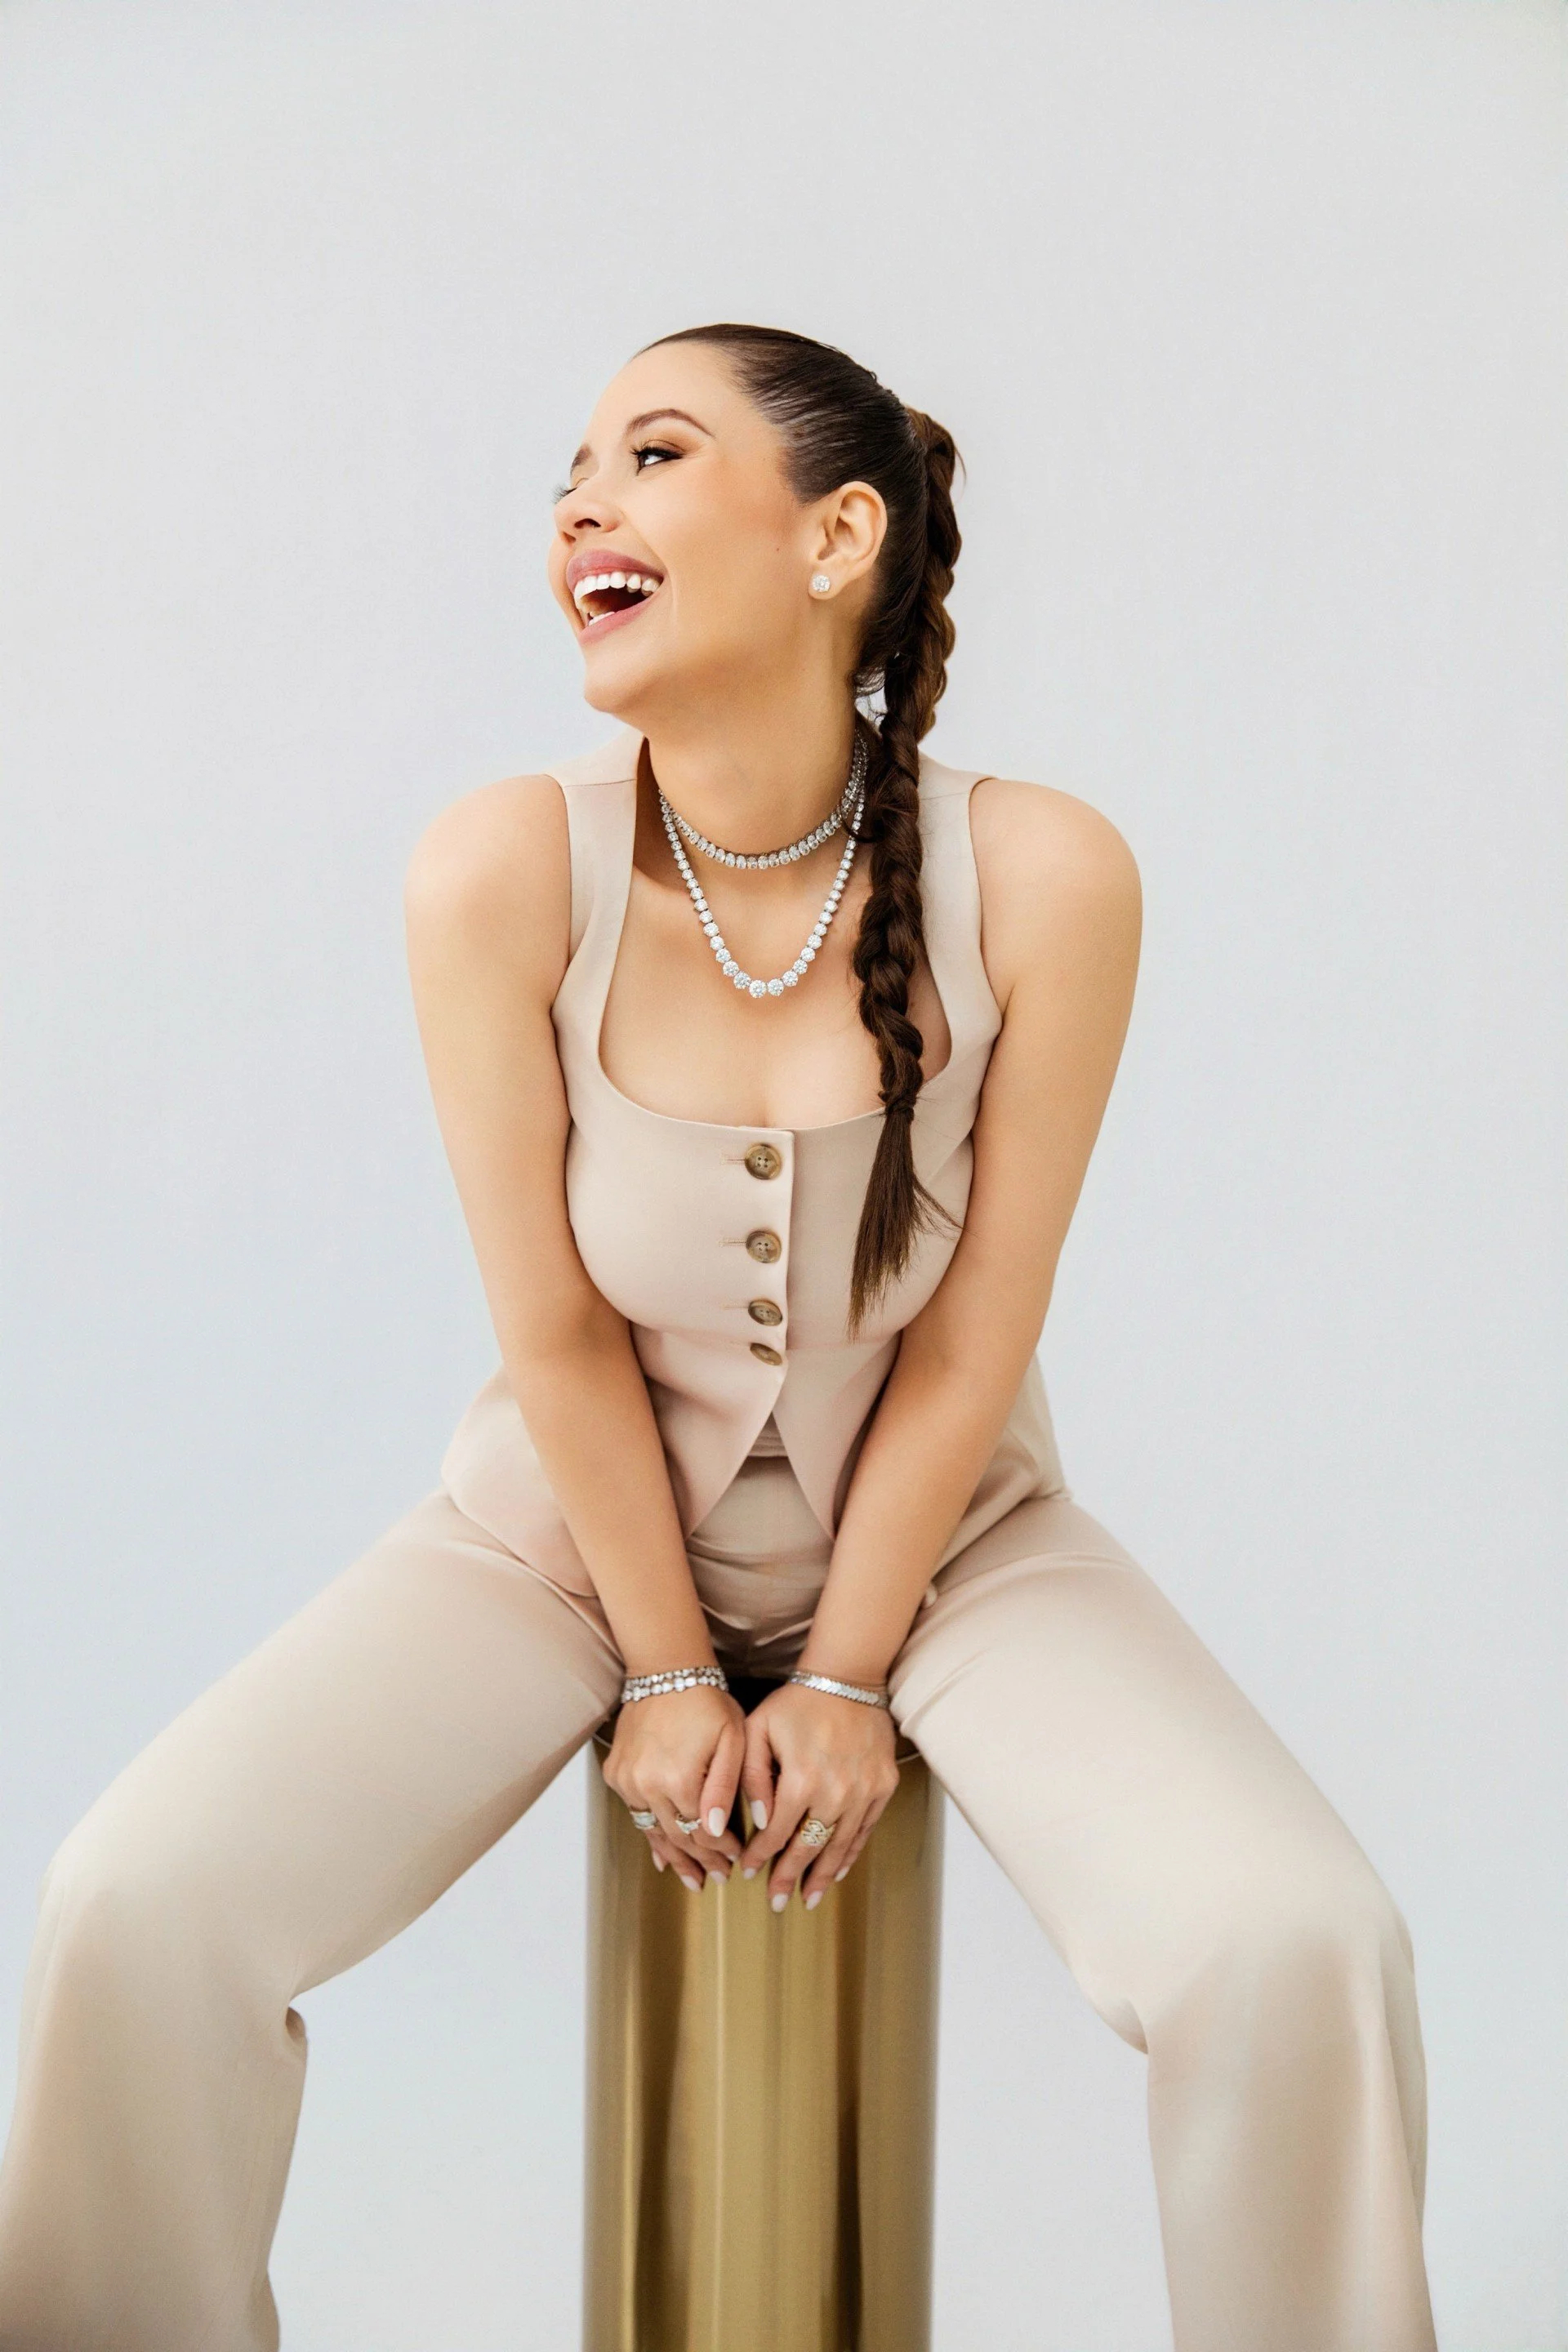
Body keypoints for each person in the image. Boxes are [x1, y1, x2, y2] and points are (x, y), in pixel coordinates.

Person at [0, 323, 1437, 2351]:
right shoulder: (504, 866)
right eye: (572, 470)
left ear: (838, 536)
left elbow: (973, 1343)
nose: (581, 504)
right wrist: (671, 1665)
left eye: (654, 455)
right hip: (559, 1543)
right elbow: (556, 1331)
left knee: (1299, 1940)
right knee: (135, 1904)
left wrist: (842, 1675)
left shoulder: (1046, 874)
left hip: (955, 1544)